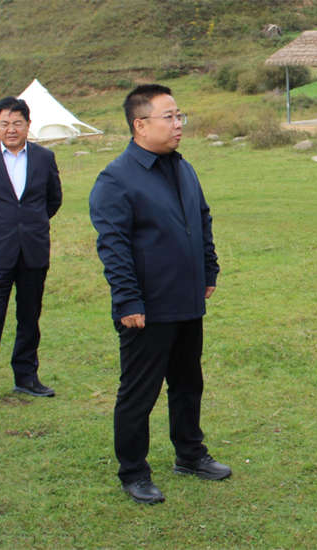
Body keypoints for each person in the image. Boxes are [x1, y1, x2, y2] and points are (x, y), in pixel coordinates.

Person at [89, 84, 230, 505]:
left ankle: (190, 454)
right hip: (146, 307)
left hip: (187, 298)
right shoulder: (116, 178)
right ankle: (134, 471)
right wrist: (128, 300)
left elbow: (201, 219)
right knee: (139, 392)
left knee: (188, 384)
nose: (178, 124)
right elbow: (113, 246)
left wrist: (208, 268)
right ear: (140, 125)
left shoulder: (183, 168)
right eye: (168, 117)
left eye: (179, 115)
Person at [0, 97, 62, 405]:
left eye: (17, 123)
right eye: (5, 123)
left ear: (28, 125)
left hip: (33, 250)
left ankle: (26, 377)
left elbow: (53, 199)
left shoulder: (44, 157)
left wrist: (30, 225)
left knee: (29, 316)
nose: (11, 129)